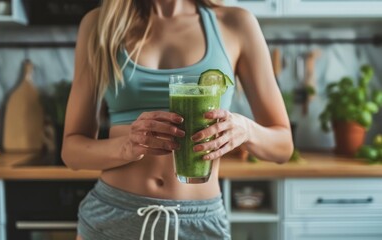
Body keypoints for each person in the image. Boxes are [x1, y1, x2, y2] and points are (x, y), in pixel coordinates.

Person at [62, 0, 293, 239]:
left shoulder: (236, 23)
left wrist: (246, 130)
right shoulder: (99, 24)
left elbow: (283, 147)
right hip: (112, 217)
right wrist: (126, 146)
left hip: (199, 223)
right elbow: (72, 152)